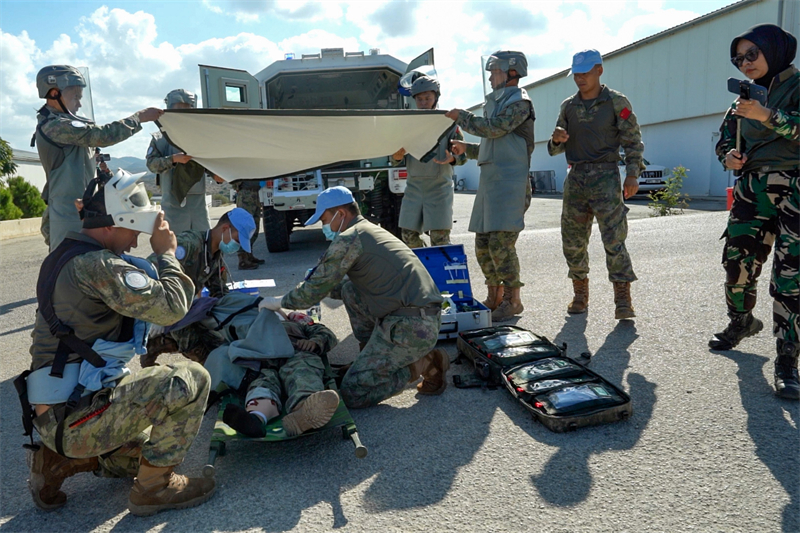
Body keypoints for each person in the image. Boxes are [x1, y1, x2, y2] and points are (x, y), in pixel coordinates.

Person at [20, 170, 215, 516]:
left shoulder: (66, 254)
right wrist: (167, 254)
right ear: (110, 224)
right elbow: (172, 308)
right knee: (192, 379)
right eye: (133, 230)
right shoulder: (96, 265)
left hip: (61, 415)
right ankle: (154, 489)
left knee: (144, 454)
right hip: (78, 416)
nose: (136, 243)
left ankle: (57, 461)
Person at [258, 186, 448, 409]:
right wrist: (318, 281)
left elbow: (310, 294)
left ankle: (424, 363)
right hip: (418, 317)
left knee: (353, 392)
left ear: (340, 213)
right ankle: (370, 359)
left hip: (412, 327)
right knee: (350, 290)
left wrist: (279, 302)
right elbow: (333, 288)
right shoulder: (367, 231)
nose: (324, 227)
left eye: (325, 220)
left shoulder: (350, 238)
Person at [710, 24, 799, 399]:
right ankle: (742, 321)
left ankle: (787, 359)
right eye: (738, 58)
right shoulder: (742, 101)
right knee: (737, 263)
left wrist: (768, 115)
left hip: (795, 186)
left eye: (752, 54)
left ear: (774, 50)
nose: (745, 63)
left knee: (790, 275)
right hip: (752, 188)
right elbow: (724, 141)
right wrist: (728, 157)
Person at [546, 49, 644, 320]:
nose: (579, 79)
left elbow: (633, 140)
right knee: (573, 241)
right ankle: (580, 294)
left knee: (614, 240)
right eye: (576, 74)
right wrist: (556, 139)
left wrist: (632, 174)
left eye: (585, 73)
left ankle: (623, 300)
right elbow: (553, 148)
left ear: (599, 70)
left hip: (606, 177)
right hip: (576, 178)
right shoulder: (568, 106)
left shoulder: (616, 102)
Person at [32, 65, 163, 250]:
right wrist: (138, 118)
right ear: (54, 93)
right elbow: (101, 136)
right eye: (75, 97)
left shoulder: (65, 125)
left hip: (79, 209)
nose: (79, 104)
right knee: (70, 259)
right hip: (68, 213)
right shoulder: (54, 126)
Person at [446, 51, 535, 322]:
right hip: (491, 185)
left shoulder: (519, 102)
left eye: (495, 71)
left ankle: (512, 300)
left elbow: (495, 129)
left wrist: (462, 117)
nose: (490, 77)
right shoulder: (495, 103)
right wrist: (468, 148)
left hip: (511, 185)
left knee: (501, 246)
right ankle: (494, 297)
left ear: (512, 73)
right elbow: (493, 143)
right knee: (483, 245)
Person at [142, 207, 257, 364]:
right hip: (163, 307)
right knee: (203, 353)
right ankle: (155, 343)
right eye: (237, 241)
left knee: (218, 343)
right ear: (225, 228)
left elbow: (220, 292)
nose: (237, 246)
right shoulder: (188, 244)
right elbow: (149, 272)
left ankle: (157, 344)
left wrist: (238, 311)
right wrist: (154, 315)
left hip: (182, 310)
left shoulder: (215, 257)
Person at [392, 75, 466, 248]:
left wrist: (453, 158)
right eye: (419, 99)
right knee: (408, 236)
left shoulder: (448, 124)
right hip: (414, 189)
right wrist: (396, 157)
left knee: (440, 239)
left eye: (428, 98)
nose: (423, 102)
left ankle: (437, 264)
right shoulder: (408, 125)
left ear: (436, 98)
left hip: (440, 189)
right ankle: (424, 261)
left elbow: (463, 155)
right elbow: (395, 159)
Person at [146, 89, 214, 234]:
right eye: (178, 109)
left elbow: (211, 164)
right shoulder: (160, 139)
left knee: (203, 242)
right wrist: (173, 159)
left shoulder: (201, 138)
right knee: (174, 244)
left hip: (198, 207)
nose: (182, 113)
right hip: (172, 206)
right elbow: (151, 164)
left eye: (187, 109)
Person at [231, 180, 265, 269]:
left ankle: (249, 255)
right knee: (244, 227)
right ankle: (242, 259)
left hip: (255, 193)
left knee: (254, 227)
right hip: (245, 194)